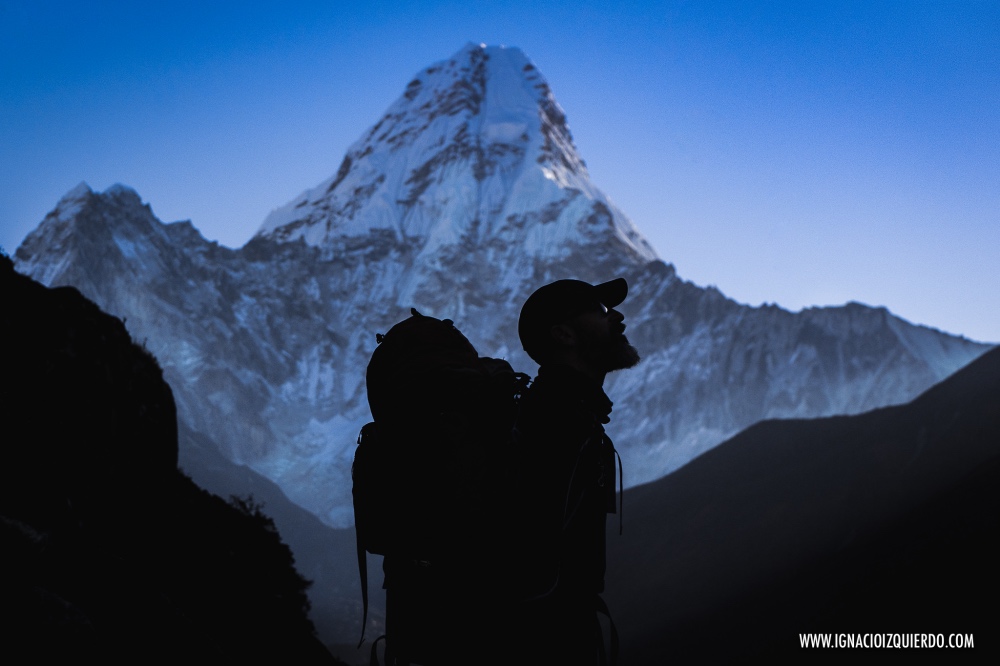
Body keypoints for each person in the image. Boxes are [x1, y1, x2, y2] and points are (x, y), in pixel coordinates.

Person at [511, 277, 640, 665]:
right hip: (545, 639)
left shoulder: (563, 414)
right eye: (600, 311)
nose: (617, 317)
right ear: (564, 334)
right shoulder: (556, 423)